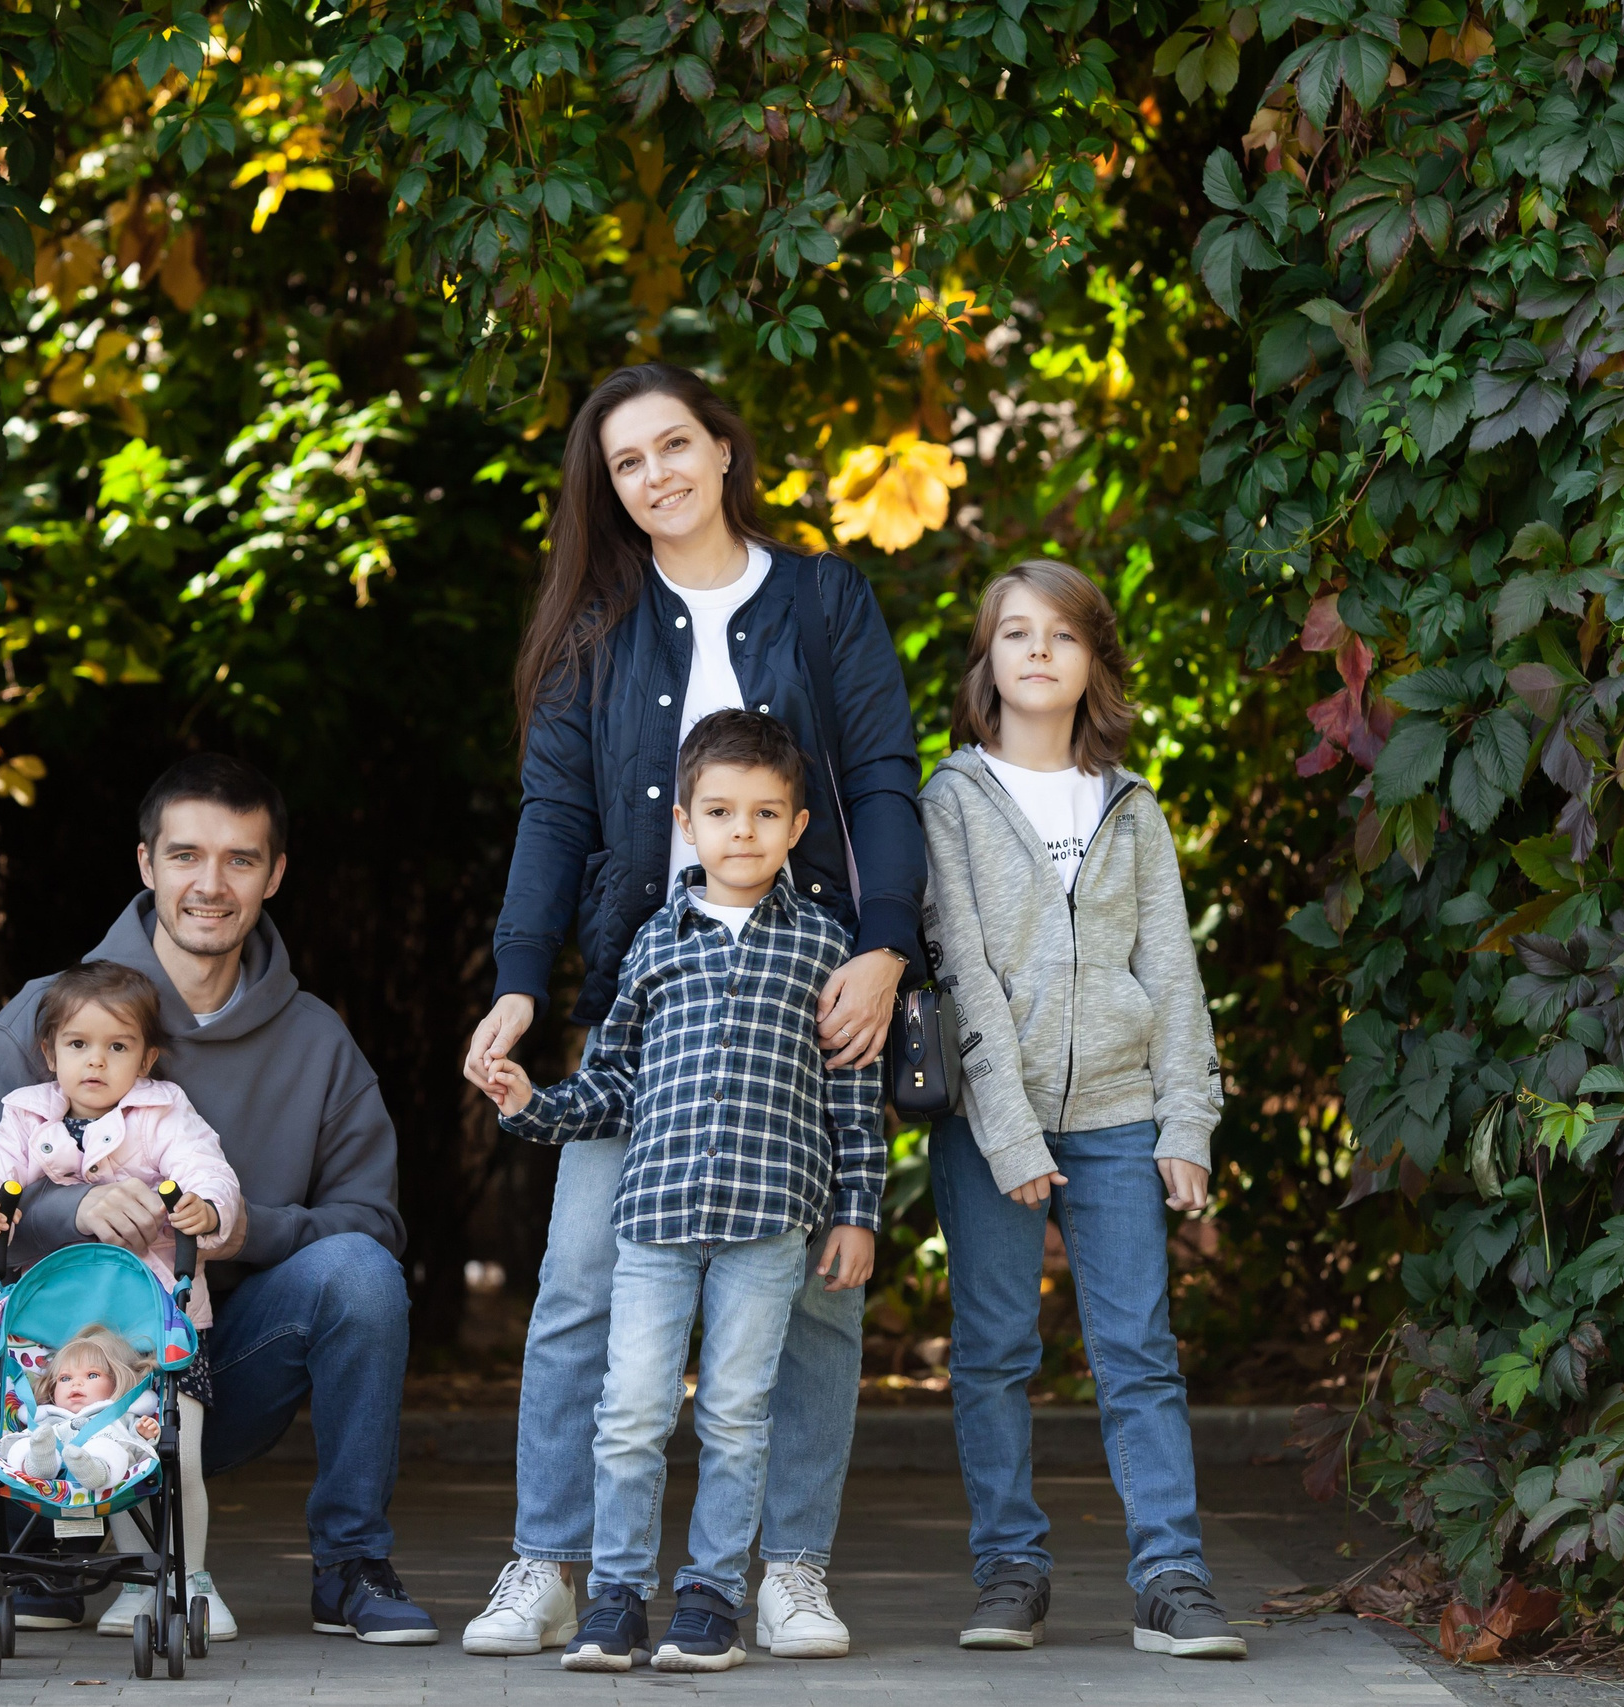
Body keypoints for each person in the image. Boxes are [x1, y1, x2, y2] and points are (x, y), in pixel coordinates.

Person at [460, 362, 926, 1661]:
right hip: (644, 999)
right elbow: (554, 815)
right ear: (609, 488)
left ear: (725, 448)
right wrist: (517, 974)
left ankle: (790, 1566)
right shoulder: (596, 630)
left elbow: (885, 776)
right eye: (628, 461)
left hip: (809, 991)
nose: (658, 472)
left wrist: (887, 948)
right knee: (576, 1287)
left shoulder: (826, 597)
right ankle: (550, 1561)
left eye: (677, 443)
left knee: (816, 1296)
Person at [0, 754, 439, 1647]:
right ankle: (57, 1543)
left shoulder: (317, 1040)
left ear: (276, 874)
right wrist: (71, 1214)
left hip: (212, 1349)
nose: (209, 885)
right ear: (146, 864)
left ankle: (350, 1566)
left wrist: (247, 1226)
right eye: (185, 856)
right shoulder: (55, 1013)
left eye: (240, 860)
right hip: (57, 1359)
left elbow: (373, 1224)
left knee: (361, 1275)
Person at [477, 710, 884, 1673]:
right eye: (720, 811)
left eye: (764, 812)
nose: (741, 830)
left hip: (769, 1223)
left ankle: (710, 1598)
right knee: (632, 1408)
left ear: (796, 829)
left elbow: (854, 1103)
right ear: (686, 826)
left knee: (737, 1410)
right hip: (654, 1221)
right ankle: (615, 1595)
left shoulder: (828, 949)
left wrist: (858, 1211)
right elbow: (613, 1082)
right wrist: (531, 1103)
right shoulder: (652, 948)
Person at [917, 560, 1242, 1660]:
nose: (1039, 651)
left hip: (1117, 1114)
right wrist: (1006, 1132)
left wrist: (1184, 1124)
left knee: (1139, 1349)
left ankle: (1172, 1579)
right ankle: (1010, 1568)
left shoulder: (1131, 807)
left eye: (1061, 634)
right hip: (987, 1125)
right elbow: (955, 969)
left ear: (1094, 658)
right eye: (1015, 634)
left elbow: (1175, 973)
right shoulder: (949, 803)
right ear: (986, 663)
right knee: (995, 1350)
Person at [0, 961, 239, 1597]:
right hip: (61, 1333)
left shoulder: (163, 1113)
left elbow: (206, 1166)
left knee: (170, 1452)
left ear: (146, 1058)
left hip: (157, 1320)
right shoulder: (27, 1120)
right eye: (78, 1044)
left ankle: (185, 1580)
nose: (96, 1061)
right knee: (78, 1441)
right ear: (49, 1052)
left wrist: (207, 1206)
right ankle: (110, 1581)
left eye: (118, 1047)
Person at [0, 1328, 165, 1494]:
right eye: (65, 1378)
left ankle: (93, 1470)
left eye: (92, 1375)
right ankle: (40, 1464)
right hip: (51, 1462)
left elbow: (136, 1445)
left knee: (110, 1449)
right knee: (26, 1443)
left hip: (105, 1462)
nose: (75, 1384)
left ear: (117, 1379)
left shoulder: (120, 1412)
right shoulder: (46, 1415)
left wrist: (144, 1433)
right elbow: (30, 1436)